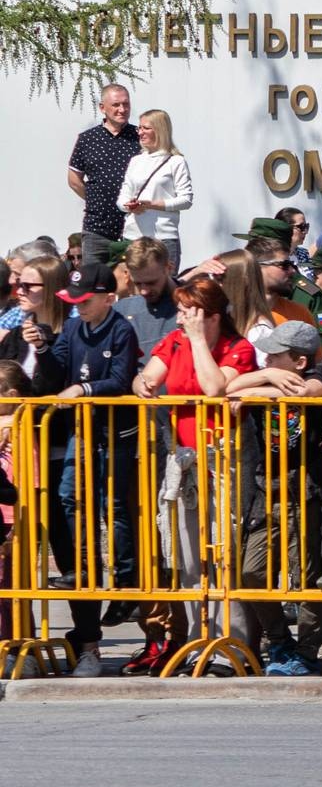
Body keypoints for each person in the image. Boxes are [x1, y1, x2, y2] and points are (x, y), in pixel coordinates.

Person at [131, 275, 253, 657]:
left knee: (222, 555)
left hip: (223, 459)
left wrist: (200, 340)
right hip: (183, 459)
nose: (180, 319)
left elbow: (215, 387)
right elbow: (148, 375)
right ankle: (200, 644)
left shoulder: (239, 347)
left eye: (187, 312)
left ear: (209, 315)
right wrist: (144, 384)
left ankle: (230, 645)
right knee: (187, 556)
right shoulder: (174, 341)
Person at [29, 261, 142, 676]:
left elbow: (120, 378)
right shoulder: (74, 329)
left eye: (86, 300)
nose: (78, 308)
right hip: (81, 431)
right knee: (68, 496)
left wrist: (84, 389)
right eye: (73, 301)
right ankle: (81, 567)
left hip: (114, 434)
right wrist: (43, 347)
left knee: (113, 505)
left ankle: (125, 577)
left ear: (108, 298)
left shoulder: (121, 329)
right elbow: (57, 371)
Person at [68, 84, 140, 264]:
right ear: (102, 108)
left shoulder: (140, 137)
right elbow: (74, 179)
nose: (122, 109)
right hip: (97, 229)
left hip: (134, 228)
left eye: (126, 104)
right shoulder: (88, 139)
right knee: (94, 285)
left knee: (132, 286)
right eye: (116, 105)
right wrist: (96, 200)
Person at [114, 109, 193, 270]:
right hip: (133, 236)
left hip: (163, 237)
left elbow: (186, 199)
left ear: (160, 130)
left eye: (146, 128)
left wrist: (152, 205)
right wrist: (129, 206)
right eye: (139, 128)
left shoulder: (175, 161)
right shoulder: (136, 161)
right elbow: (123, 197)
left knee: (166, 287)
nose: (140, 132)